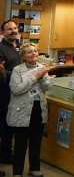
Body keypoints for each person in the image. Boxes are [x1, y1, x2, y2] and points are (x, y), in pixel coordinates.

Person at [7, 43, 49, 177]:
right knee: (20, 144)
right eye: (29, 52)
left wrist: (43, 77)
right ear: (23, 56)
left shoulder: (42, 68)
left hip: (38, 109)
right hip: (22, 111)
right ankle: (17, 172)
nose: (33, 54)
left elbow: (47, 87)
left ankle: (34, 168)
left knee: (36, 142)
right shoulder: (17, 70)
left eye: (35, 51)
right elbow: (16, 89)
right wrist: (35, 77)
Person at [0, 19, 22, 168]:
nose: (13, 31)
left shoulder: (17, 47)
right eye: (9, 29)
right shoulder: (1, 48)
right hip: (4, 93)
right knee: (4, 125)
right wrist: (16, 75)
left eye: (15, 28)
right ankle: (4, 155)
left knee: (10, 125)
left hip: (16, 93)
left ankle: (7, 154)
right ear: (3, 32)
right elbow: (1, 72)